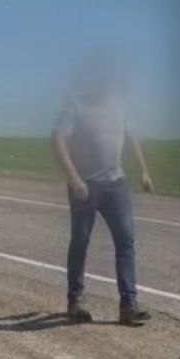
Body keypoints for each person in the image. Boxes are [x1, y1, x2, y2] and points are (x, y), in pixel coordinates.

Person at [51, 54, 154, 326]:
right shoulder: (76, 105)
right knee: (81, 241)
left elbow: (131, 138)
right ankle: (76, 300)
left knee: (126, 240)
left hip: (116, 184)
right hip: (86, 187)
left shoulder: (118, 105)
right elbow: (58, 140)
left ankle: (128, 304)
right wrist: (74, 180)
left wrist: (143, 170)